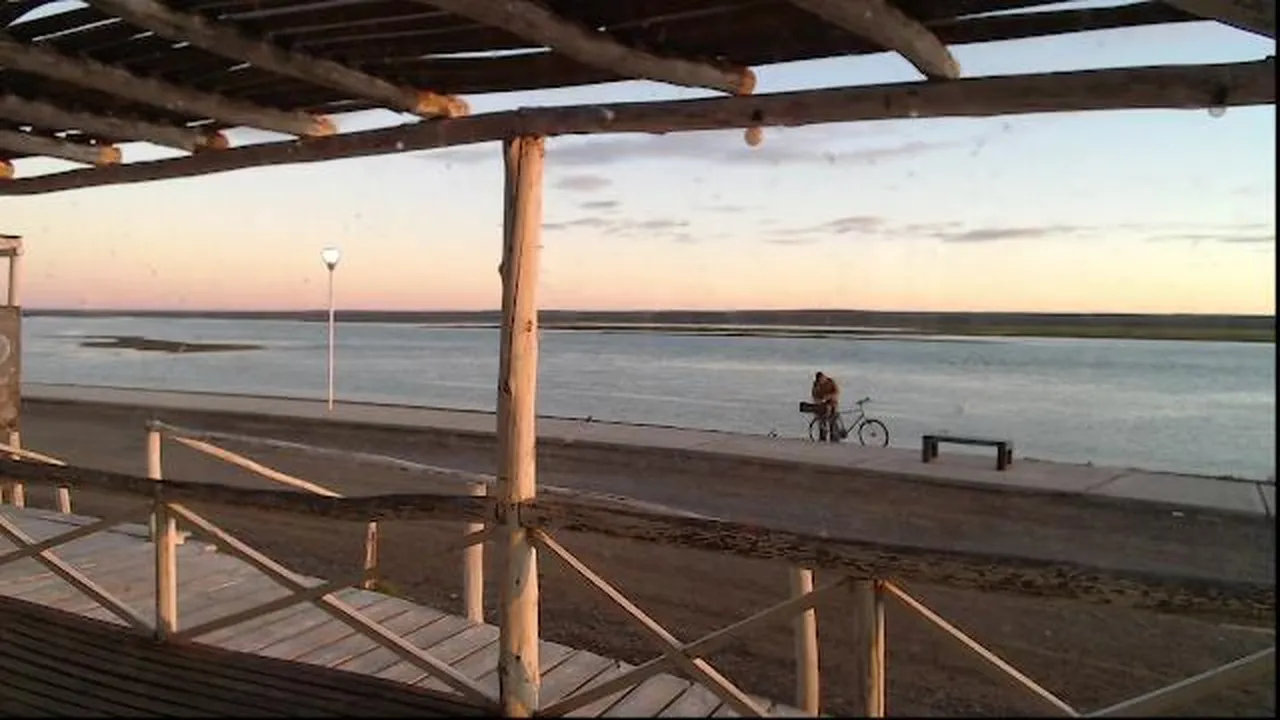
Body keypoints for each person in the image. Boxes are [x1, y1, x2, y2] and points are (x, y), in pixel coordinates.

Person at [811, 371, 841, 442]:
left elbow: (837, 391)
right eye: (820, 380)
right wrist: (818, 400)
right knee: (822, 419)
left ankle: (834, 437)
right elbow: (814, 394)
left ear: (824, 377)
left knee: (833, 418)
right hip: (822, 404)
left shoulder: (831, 382)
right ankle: (822, 436)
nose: (821, 381)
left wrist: (828, 396)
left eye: (822, 379)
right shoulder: (816, 384)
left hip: (832, 402)